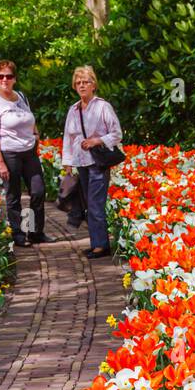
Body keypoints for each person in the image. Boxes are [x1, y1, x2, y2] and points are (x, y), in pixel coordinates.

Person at [0, 60, 49, 246]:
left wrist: (35, 133)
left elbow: (30, 117)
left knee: (38, 191)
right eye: (0, 76)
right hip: (9, 154)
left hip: (29, 152)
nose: (5, 79)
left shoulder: (20, 96)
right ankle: (18, 235)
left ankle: (35, 231)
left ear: (15, 79)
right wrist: (0, 162)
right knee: (14, 196)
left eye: (9, 76)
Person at [61, 66, 123, 259]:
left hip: (98, 162)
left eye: (86, 82)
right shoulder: (74, 109)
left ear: (94, 85)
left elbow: (117, 134)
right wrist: (67, 162)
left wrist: (97, 140)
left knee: (96, 204)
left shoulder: (103, 107)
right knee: (89, 204)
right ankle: (97, 242)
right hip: (81, 162)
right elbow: (68, 138)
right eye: (78, 83)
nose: (82, 85)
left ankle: (101, 246)